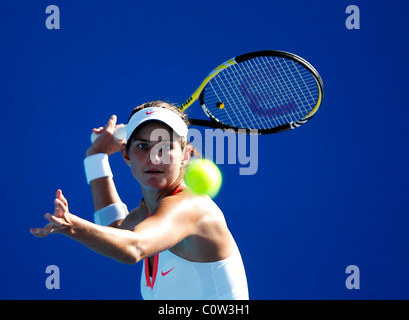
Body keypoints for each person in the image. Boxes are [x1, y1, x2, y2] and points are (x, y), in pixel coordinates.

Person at [30, 100, 249, 300]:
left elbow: (133, 247)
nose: (154, 158)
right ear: (126, 154)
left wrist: (73, 226)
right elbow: (113, 230)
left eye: (165, 147)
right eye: (143, 146)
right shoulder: (149, 213)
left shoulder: (191, 206)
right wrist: (96, 157)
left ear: (185, 155)